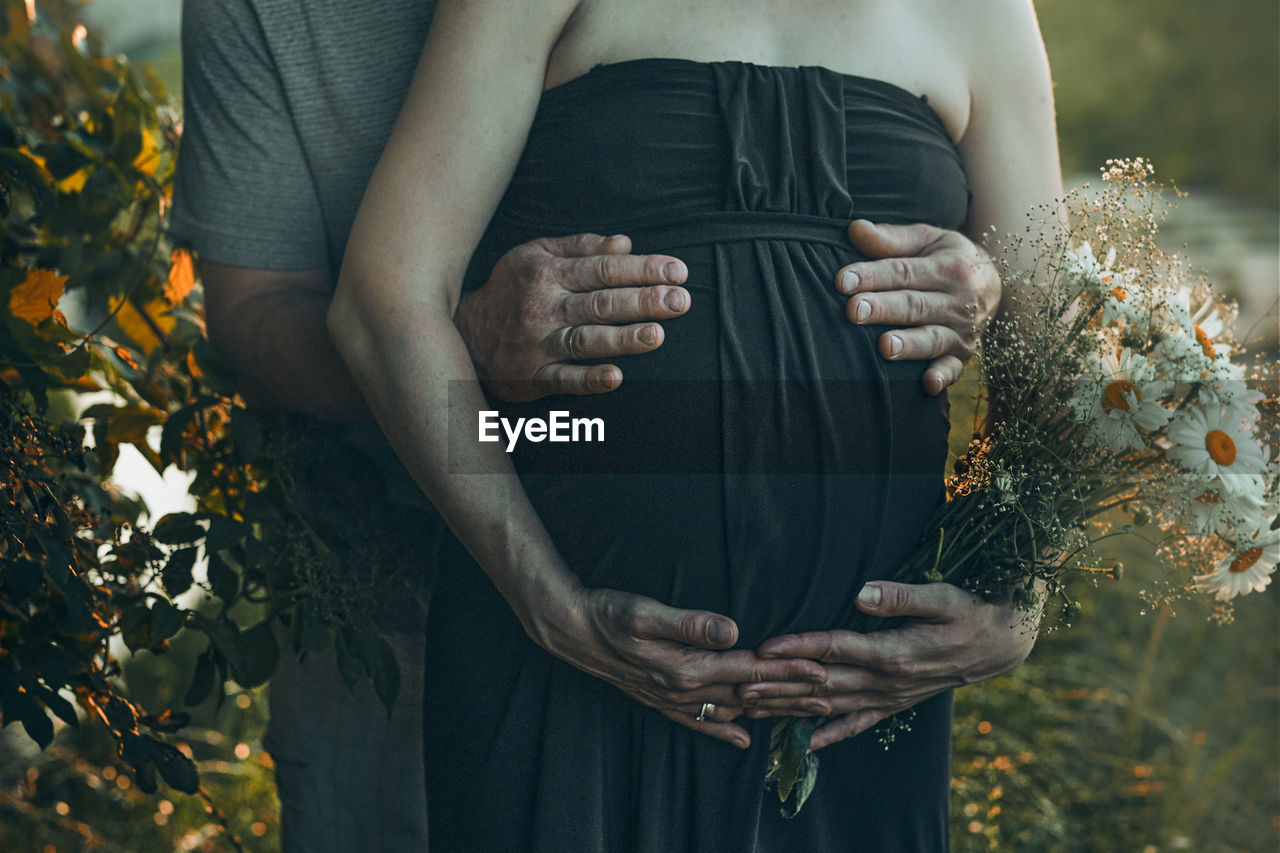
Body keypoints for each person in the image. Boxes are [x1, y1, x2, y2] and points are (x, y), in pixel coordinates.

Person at [171, 0, 1033, 849]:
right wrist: (546, 602)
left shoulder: (985, 13)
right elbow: (371, 307)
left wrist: (1022, 595)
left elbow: (1064, 338)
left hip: (857, 697)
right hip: (548, 643)